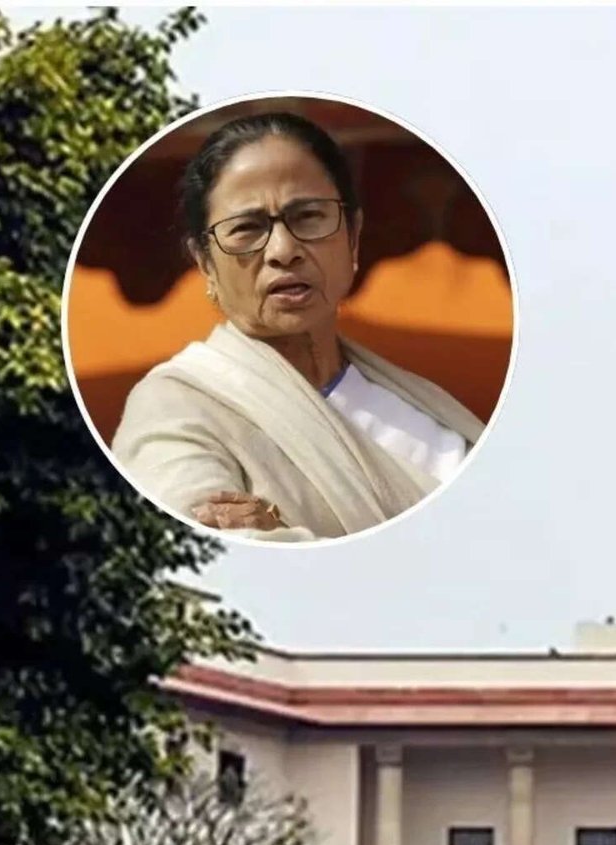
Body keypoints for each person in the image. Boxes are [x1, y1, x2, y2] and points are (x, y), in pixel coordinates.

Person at [111, 111, 486, 542]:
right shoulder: (175, 406)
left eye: (308, 216)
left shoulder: (416, 397)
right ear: (205, 263)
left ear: (353, 237)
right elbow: (203, 537)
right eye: (246, 228)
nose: (283, 250)